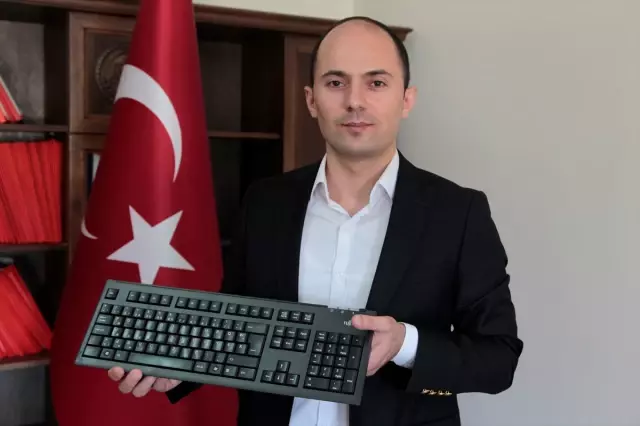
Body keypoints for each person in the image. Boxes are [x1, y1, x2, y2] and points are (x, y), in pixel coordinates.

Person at [107, 16, 523, 426]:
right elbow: (238, 326)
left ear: (406, 99)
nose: (354, 101)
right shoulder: (265, 201)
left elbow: (498, 358)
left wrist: (405, 344)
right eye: (335, 82)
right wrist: (179, 366)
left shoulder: (458, 213)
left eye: (376, 83)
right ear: (311, 100)